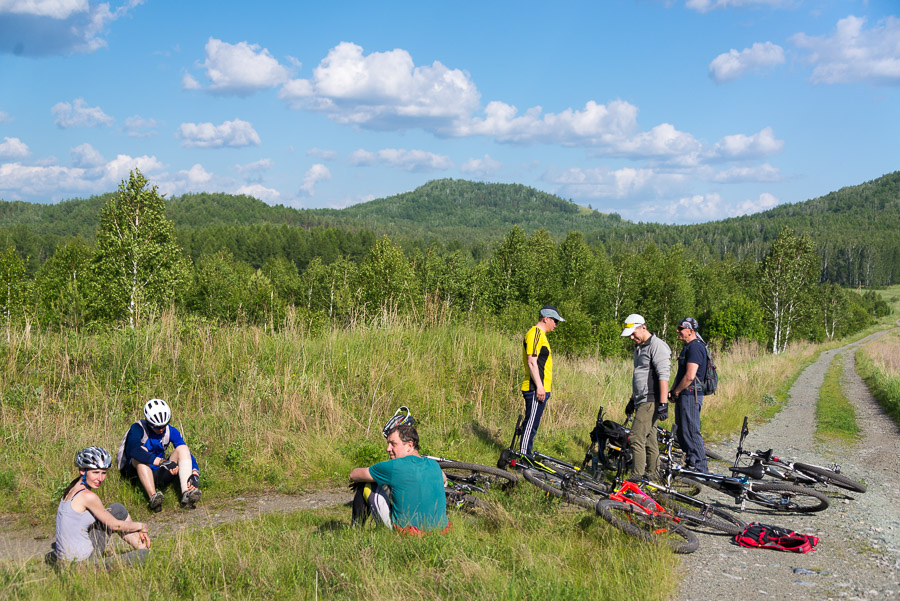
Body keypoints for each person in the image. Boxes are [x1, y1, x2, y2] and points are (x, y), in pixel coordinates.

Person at [52, 446, 150, 567]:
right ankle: (144, 551)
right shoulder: (88, 496)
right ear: (82, 470)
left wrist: (136, 530)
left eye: (103, 473)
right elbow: (115, 525)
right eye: (96, 472)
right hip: (81, 565)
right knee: (147, 556)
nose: (100, 478)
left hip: (64, 562)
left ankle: (141, 546)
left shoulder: (72, 488)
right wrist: (141, 526)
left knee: (117, 509)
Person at [349, 423, 449, 533]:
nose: (388, 448)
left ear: (409, 446)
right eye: (388, 444)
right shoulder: (434, 465)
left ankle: (355, 530)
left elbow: (353, 475)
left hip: (407, 533)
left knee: (366, 484)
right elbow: (444, 479)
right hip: (440, 531)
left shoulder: (393, 466)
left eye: (393, 444)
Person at [117, 398, 202, 511]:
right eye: (157, 427)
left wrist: (195, 472)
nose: (161, 429)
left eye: (164, 425)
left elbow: (186, 452)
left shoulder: (170, 430)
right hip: (137, 474)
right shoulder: (137, 428)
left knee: (182, 448)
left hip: (160, 471)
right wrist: (162, 461)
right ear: (149, 422)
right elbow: (133, 451)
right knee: (141, 451)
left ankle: (187, 493)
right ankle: (153, 497)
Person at [620, 314, 671, 479]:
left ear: (643, 327)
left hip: (651, 399)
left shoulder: (657, 346)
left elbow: (664, 376)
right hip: (641, 399)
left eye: (634, 334)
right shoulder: (639, 347)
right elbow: (640, 377)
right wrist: (632, 399)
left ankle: (636, 477)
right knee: (650, 439)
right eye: (630, 336)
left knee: (635, 437)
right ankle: (653, 475)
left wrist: (663, 404)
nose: (632, 338)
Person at [519, 305, 564, 455]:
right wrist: (539, 386)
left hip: (541, 388)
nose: (556, 325)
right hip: (534, 388)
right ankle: (524, 456)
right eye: (555, 321)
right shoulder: (535, 333)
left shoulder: (541, 336)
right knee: (530, 424)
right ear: (546, 319)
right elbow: (532, 361)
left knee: (533, 424)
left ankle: (527, 454)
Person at [669, 317, 709, 473]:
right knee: (682, 431)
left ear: (691, 331)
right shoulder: (687, 347)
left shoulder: (695, 348)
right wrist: (673, 391)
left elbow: (690, 375)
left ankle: (701, 467)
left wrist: (677, 391)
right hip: (684, 394)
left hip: (691, 394)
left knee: (691, 430)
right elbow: (680, 374)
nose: (677, 331)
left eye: (681, 329)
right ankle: (692, 462)